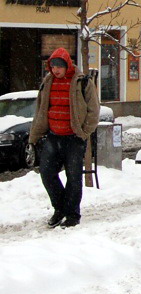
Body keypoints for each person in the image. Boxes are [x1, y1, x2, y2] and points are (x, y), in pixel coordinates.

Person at [27, 48, 99, 229]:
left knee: (73, 177)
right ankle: (60, 208)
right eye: (53, 66)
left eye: (59, 66)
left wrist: (84, 133)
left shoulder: (82, 82)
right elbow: (40, 110)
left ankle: (72, 214)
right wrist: (34, 137)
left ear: (67, 65)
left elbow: (94, 110)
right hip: (53, 135)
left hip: (74, 137)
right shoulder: (48, 81)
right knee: (47, 173)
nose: (56, 70)